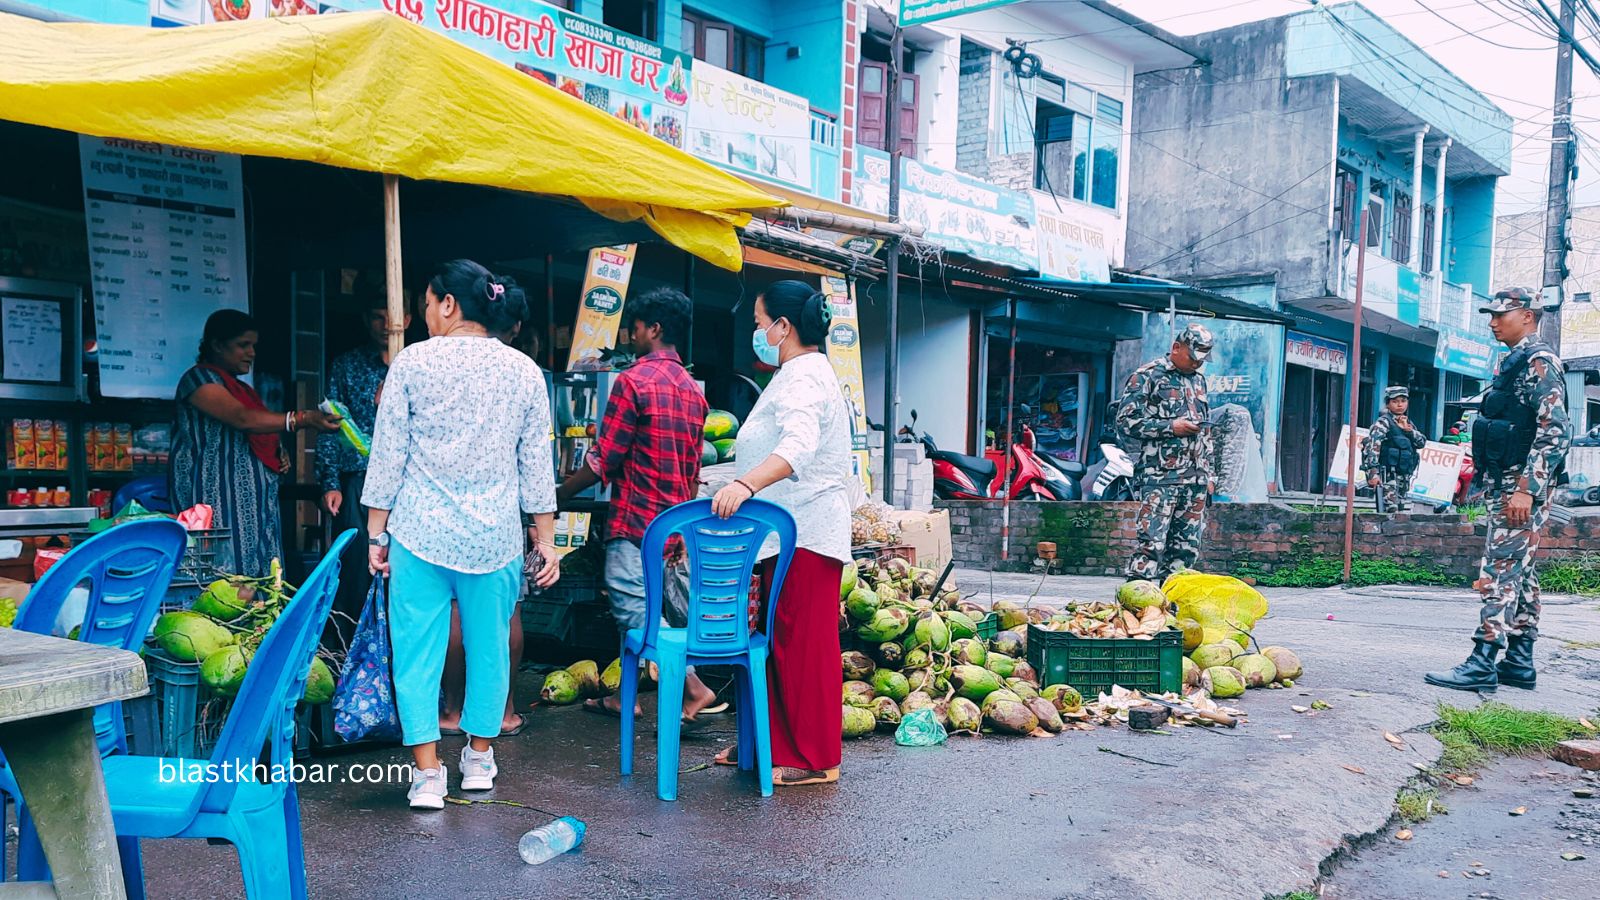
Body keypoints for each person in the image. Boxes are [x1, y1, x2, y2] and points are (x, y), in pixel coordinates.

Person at [363, 259, 561, 810]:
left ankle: (427, 773)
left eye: (427, 303)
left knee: (417, 653)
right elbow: (535, 466)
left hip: (420, 532)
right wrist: (545, 541)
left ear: (448, 304)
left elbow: (389, 455)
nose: (425, 313)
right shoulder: (524, 371)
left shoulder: (412, 362)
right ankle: (478, 757)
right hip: (493, 537)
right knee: (491, 648)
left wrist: (376, 534)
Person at [710, 280, 852, 788]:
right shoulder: (795, 374)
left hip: (807, 532)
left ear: (783, 327)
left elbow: (798, 447)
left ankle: (815, 758)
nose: (757, 332)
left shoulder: (804, 378)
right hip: (787, 533)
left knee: (804, 645)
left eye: (758, 323)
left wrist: (745, 484)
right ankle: (769, 744)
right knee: (781, 643)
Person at [554, 288, 717, 723]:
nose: (634, 335)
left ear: (654, 329)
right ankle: (623, 696)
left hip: (635, 521)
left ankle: (694, 686)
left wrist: (561, 494)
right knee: (641, 609)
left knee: (633, 608)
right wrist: (682, 532)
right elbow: (691, 468)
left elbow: (604, 458)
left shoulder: (633, 382)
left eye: (637, 328)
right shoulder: (692, 390)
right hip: (671, 525)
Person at [1426, 288, 1570, 693]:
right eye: (1490, 314)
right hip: (1506, 481)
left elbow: (1556, 431)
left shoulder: (1539, 362)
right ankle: (1519, 661)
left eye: (1500, 315)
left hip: (1519, 487)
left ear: (1527, 316)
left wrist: (1527, 489)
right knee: (1520, 570)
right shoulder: (1516, 361)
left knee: (1500, 569)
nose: (1492, 322)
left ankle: (1483, 660)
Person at [170, 310, 341, 577]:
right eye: (242, 345)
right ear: (216, 344)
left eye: (253, 345)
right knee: (222, 576)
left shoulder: (242, 389)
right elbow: (242, 418)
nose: (251, 353)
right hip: (216, 501)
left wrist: (277, 450)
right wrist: (302, 418)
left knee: (261, 579)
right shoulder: (198, 380)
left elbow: (256, 431)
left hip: (254, 508)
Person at [440, 319, 532, 739]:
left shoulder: (438, 370)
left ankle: (454, 710)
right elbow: (532, 460)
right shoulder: (519, 374)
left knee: (457, 614)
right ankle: (504, 712)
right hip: (500, 516)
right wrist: (543, 532)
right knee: (505, 613)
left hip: (443, 514)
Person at [319, 293, 410, 640]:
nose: (385, 324)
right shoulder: (348, 366)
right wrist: (330, 481)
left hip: (411, 483)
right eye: (376, 316)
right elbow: (331, 425)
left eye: (391, 316)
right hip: (360, 480)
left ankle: (397, 648)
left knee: (405, 570)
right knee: (360, 567)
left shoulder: (417, 363)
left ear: (409, 319)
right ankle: (354, 650)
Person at [1115, 323, 1215, 582]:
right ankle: (1139, 607)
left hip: (1195, 480)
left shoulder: (1199, 381)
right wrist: (1171, 427)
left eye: (1202, 358)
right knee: (1151, 545)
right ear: (1176, 348)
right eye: (1194, 356)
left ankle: (1173, 608)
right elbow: (1125, 422)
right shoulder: (1147, 376)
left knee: (1186, 550)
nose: (1197, 364)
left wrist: (1210, 474)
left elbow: (1206, 432)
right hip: (1161, 478)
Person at [1361, 385, 1426, 513]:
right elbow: (1372, 447)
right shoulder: (1383, 422)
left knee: (1400, 513)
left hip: (1403, 477)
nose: (1400, 405)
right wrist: (1373, 473)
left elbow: (1421, 443)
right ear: (1387, 404)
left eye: (1403, 401)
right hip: (1388, 476)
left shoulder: (1408, 423)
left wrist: (1409, 431)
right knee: (1390, 510)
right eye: (1395, 401)